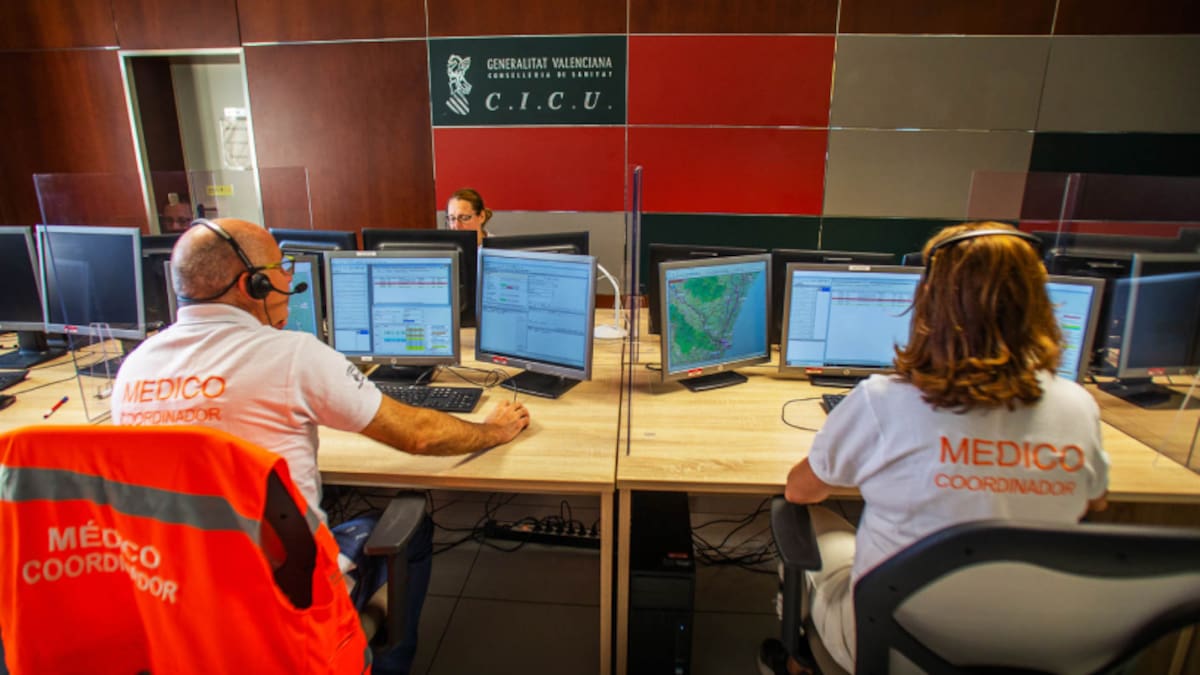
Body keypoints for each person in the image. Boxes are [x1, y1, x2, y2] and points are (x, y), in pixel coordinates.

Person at [112, 217, 530, 674]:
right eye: (280, 268)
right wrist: (493, 431)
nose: (288, 280)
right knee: (412, 525)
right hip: (287, 610)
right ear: (253, 284)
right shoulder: (292, 355)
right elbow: (419, 434)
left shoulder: (135, 368)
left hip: (178, 607)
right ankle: (369, 662)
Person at [758, 222, 1110, 675]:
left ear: (930, 302)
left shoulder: (884, 400)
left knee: (806, 520)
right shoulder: (1077, 405)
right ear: (1039, 304)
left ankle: (799, 662)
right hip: (1029, 649)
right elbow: (1094, 500)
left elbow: (801, 490)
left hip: (894, 648)